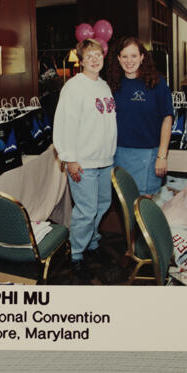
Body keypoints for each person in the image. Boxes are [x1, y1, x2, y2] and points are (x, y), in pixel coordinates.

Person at [53, 38, 117, 282]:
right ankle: (76, 255)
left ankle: (91, 242)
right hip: (83, 162)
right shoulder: (73, 87)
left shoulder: (103, 86)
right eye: (89, 55)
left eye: (98, 54)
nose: (94, 59)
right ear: (81, 60)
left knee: (101, 205)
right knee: (86, 210)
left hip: (104, 160)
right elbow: (64, 124)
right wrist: (69, 158)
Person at [106, 37, 173, 196]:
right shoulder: (112, 85)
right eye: (124, 56)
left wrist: (162, 155)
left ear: (142, 57)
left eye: (134, 56)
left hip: (148, 154)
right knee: (125, 205)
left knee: (143, 207)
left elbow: (167, 119)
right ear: (118, 58)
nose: (129, 61)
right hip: (118, 154)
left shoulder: (157, 83)